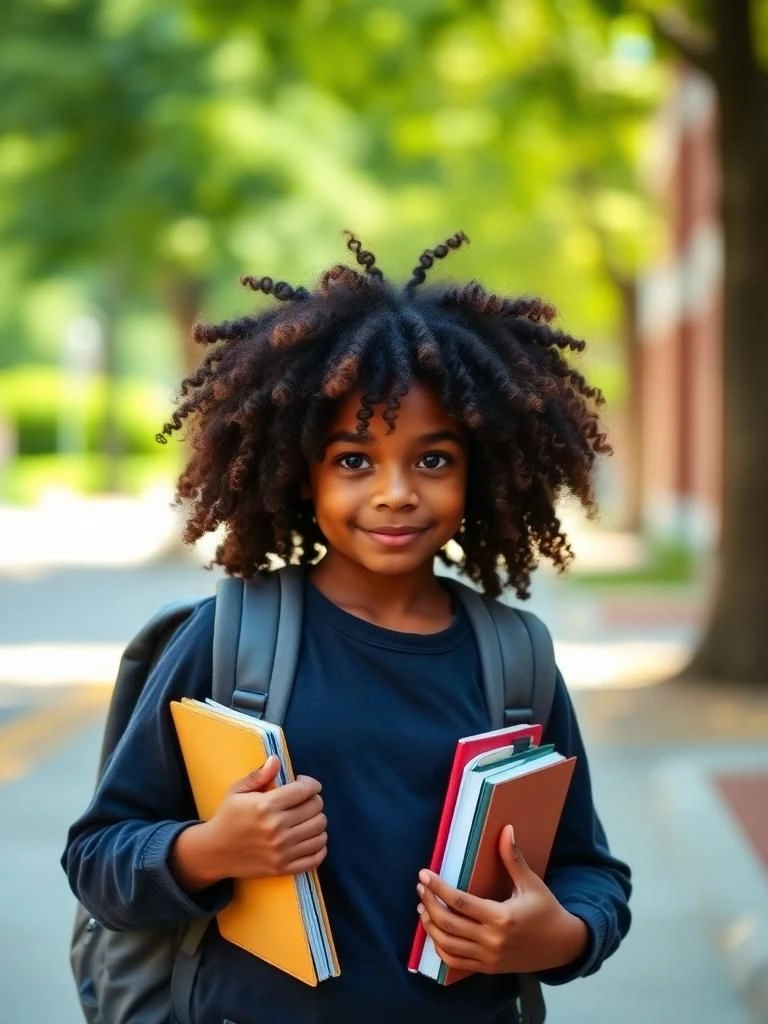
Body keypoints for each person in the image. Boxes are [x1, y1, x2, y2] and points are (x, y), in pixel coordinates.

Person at [63, 231, 631, 1024]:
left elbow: (588, 870)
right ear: (302, 471)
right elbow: (97, 858)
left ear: (482, 470)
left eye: (432, 460)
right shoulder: (229, 638)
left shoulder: (515, 660)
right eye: (354, 460)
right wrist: (208, 851)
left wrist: (560, 936)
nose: (395, 493)